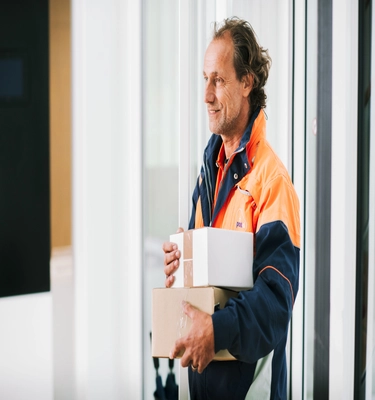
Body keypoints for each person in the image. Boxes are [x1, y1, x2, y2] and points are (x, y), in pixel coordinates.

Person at [162, 17, 300, 400]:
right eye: (204, 79)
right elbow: (211, 278)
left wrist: (218, 330)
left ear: (246, 83)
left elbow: (276, 301)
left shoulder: (272, 182)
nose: (206, 94)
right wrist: (182, 258)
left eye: (218, 80)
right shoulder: (211, 171)